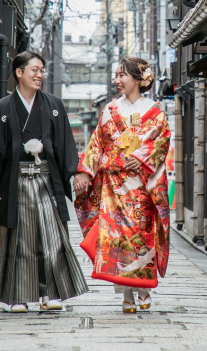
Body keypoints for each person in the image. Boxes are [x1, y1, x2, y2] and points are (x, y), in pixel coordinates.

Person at [0, 51, 88, 313]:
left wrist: (76, 172)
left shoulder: (54, 105)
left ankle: (52, 293)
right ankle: (17, 296)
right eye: (34, 69)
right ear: (19, 73)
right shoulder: (1, 109)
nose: (39, 75)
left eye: (42, 70)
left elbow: (65, 144)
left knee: (51, 237)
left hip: (46, 179)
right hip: (15, 182)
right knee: (19, 239)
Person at [73, 57, 171, 313]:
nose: (117, 80)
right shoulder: (109, 110)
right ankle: (126, 292)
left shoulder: (156, 111)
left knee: (141, 238)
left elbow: (162, 142)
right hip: (114, 188)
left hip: (142, 185)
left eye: (122, 75)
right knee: (117, 240)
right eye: (116, 75)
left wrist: (141, 159)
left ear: (138, 79)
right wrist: (84, 171)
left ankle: (145, 289)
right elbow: (97, 144)